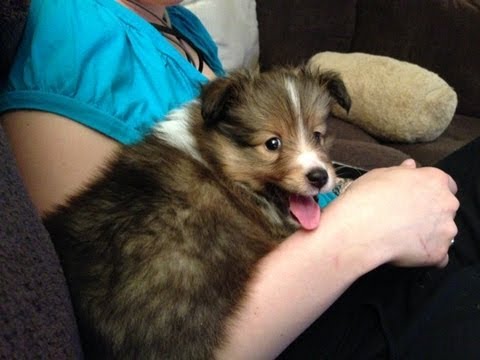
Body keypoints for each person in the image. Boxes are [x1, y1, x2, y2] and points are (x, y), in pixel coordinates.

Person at [0, 0, 477, 358]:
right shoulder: (66, 21)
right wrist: (359, 232)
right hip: (312, 321)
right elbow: (112, 311)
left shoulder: (181, 25)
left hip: (320, 257)